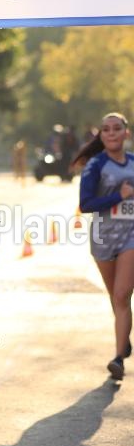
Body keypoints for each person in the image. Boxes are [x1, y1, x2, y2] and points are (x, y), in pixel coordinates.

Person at [73, 112, 134, 381]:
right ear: (101, 135)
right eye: (106, 129)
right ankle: (124, 338)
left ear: (126, 133)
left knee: (122, 295)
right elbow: (86, 204)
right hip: (102, 238)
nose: (111, 133)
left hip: (130, 235)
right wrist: (118, 196)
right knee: (116, 298)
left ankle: (118, 358)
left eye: (116, 128)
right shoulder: (95, 165)